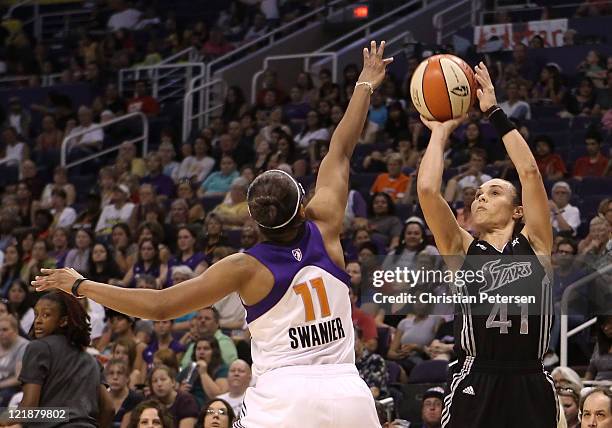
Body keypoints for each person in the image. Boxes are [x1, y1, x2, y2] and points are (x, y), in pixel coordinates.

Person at [32, 40, 393, 428]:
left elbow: (159, 306)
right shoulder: (326, 225)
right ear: (303, 206)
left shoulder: (243, 266)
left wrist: (81, 285)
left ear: (250, 221)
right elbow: (340, 149)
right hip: (349, 395)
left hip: (285, 399)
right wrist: (365, 83)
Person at [416, 62, 558, 427]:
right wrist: (439, 131)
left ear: (517, 211)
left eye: (494, 192)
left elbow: (529, 172)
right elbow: (429, 192)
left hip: (530, 378)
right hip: (476, 377)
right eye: (478, 193)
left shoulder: (537, 243)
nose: (481, 197)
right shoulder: (462, 250)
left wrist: (494, 112)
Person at [16, 291, 114, 426]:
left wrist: (4, 416)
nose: (38, 320)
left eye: (46, 315)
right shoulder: (93, 361)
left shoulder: (38, 348)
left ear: (63, 321)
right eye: (36, 314)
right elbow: (109, 409)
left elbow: (29, 409)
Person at [0, 314, 28, 406]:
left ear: (15, 330)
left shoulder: (23, 346)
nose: (1, 333)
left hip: (12, 388)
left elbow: (18, 378)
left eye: (5, 330)